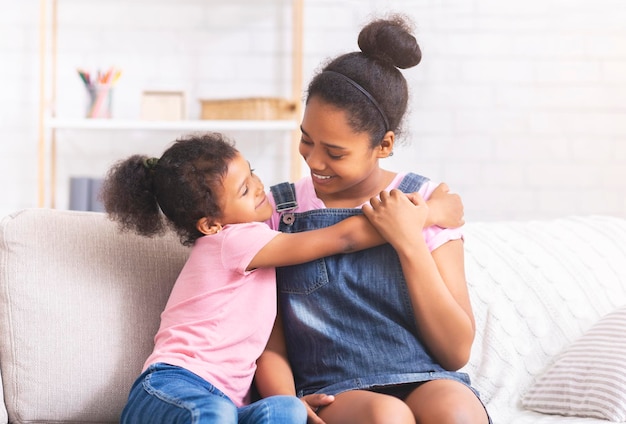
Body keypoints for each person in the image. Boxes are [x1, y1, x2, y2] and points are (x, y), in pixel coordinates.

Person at [100, 133, 458, 424]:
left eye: (252, 173)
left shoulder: (258, 251)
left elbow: (268, 348)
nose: (259, 187)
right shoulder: (234, 241)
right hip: (171, 387)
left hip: (229, 403)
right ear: (210, 225)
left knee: (286, 411)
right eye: (243, 190)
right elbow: (343, 237)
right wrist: (427, 213)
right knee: (213, 414)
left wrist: (291, 398)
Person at [254, 14, 491, 424]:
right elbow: (264, 340)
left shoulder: (427, 200)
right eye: (306, 140)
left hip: (426, 376)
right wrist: (287, 403)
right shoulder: (280, 213)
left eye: (335, 151)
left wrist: (410, 236)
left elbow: (455, 351)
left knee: (456, 411)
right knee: (387, 417)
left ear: (383, 145)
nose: (313, 160)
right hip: (333, 389)